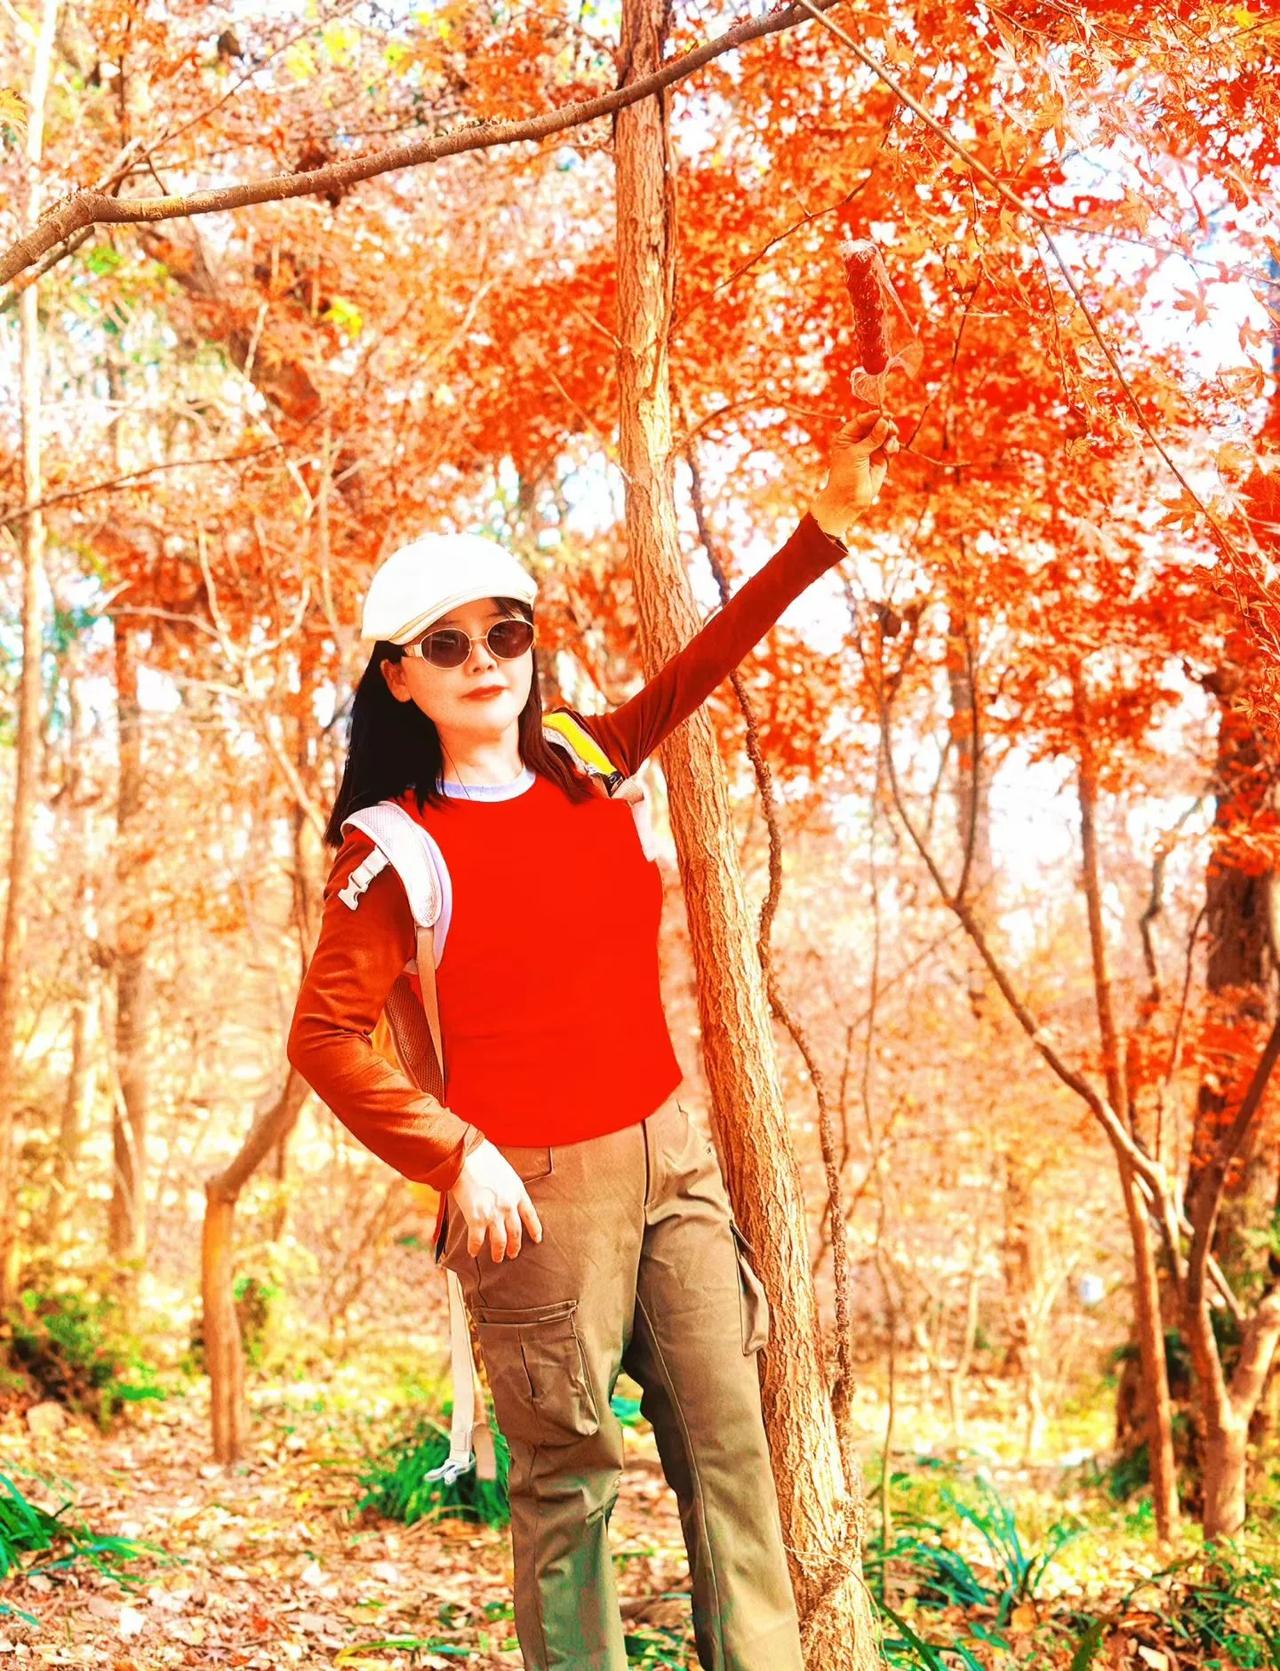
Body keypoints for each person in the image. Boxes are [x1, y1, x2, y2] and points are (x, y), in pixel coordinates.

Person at [287, 410, 898, 1670]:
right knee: (569, 1491)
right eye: (444, 644)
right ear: (397, 676)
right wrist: (454, 1154)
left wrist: (818, 533)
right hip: (532, 1193)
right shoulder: (391, 849)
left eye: (504, 632)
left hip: (671, 1157)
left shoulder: (578, 757)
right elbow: (325, 1037)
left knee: (730, 1452)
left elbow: (695, 668)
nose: (482, 660)